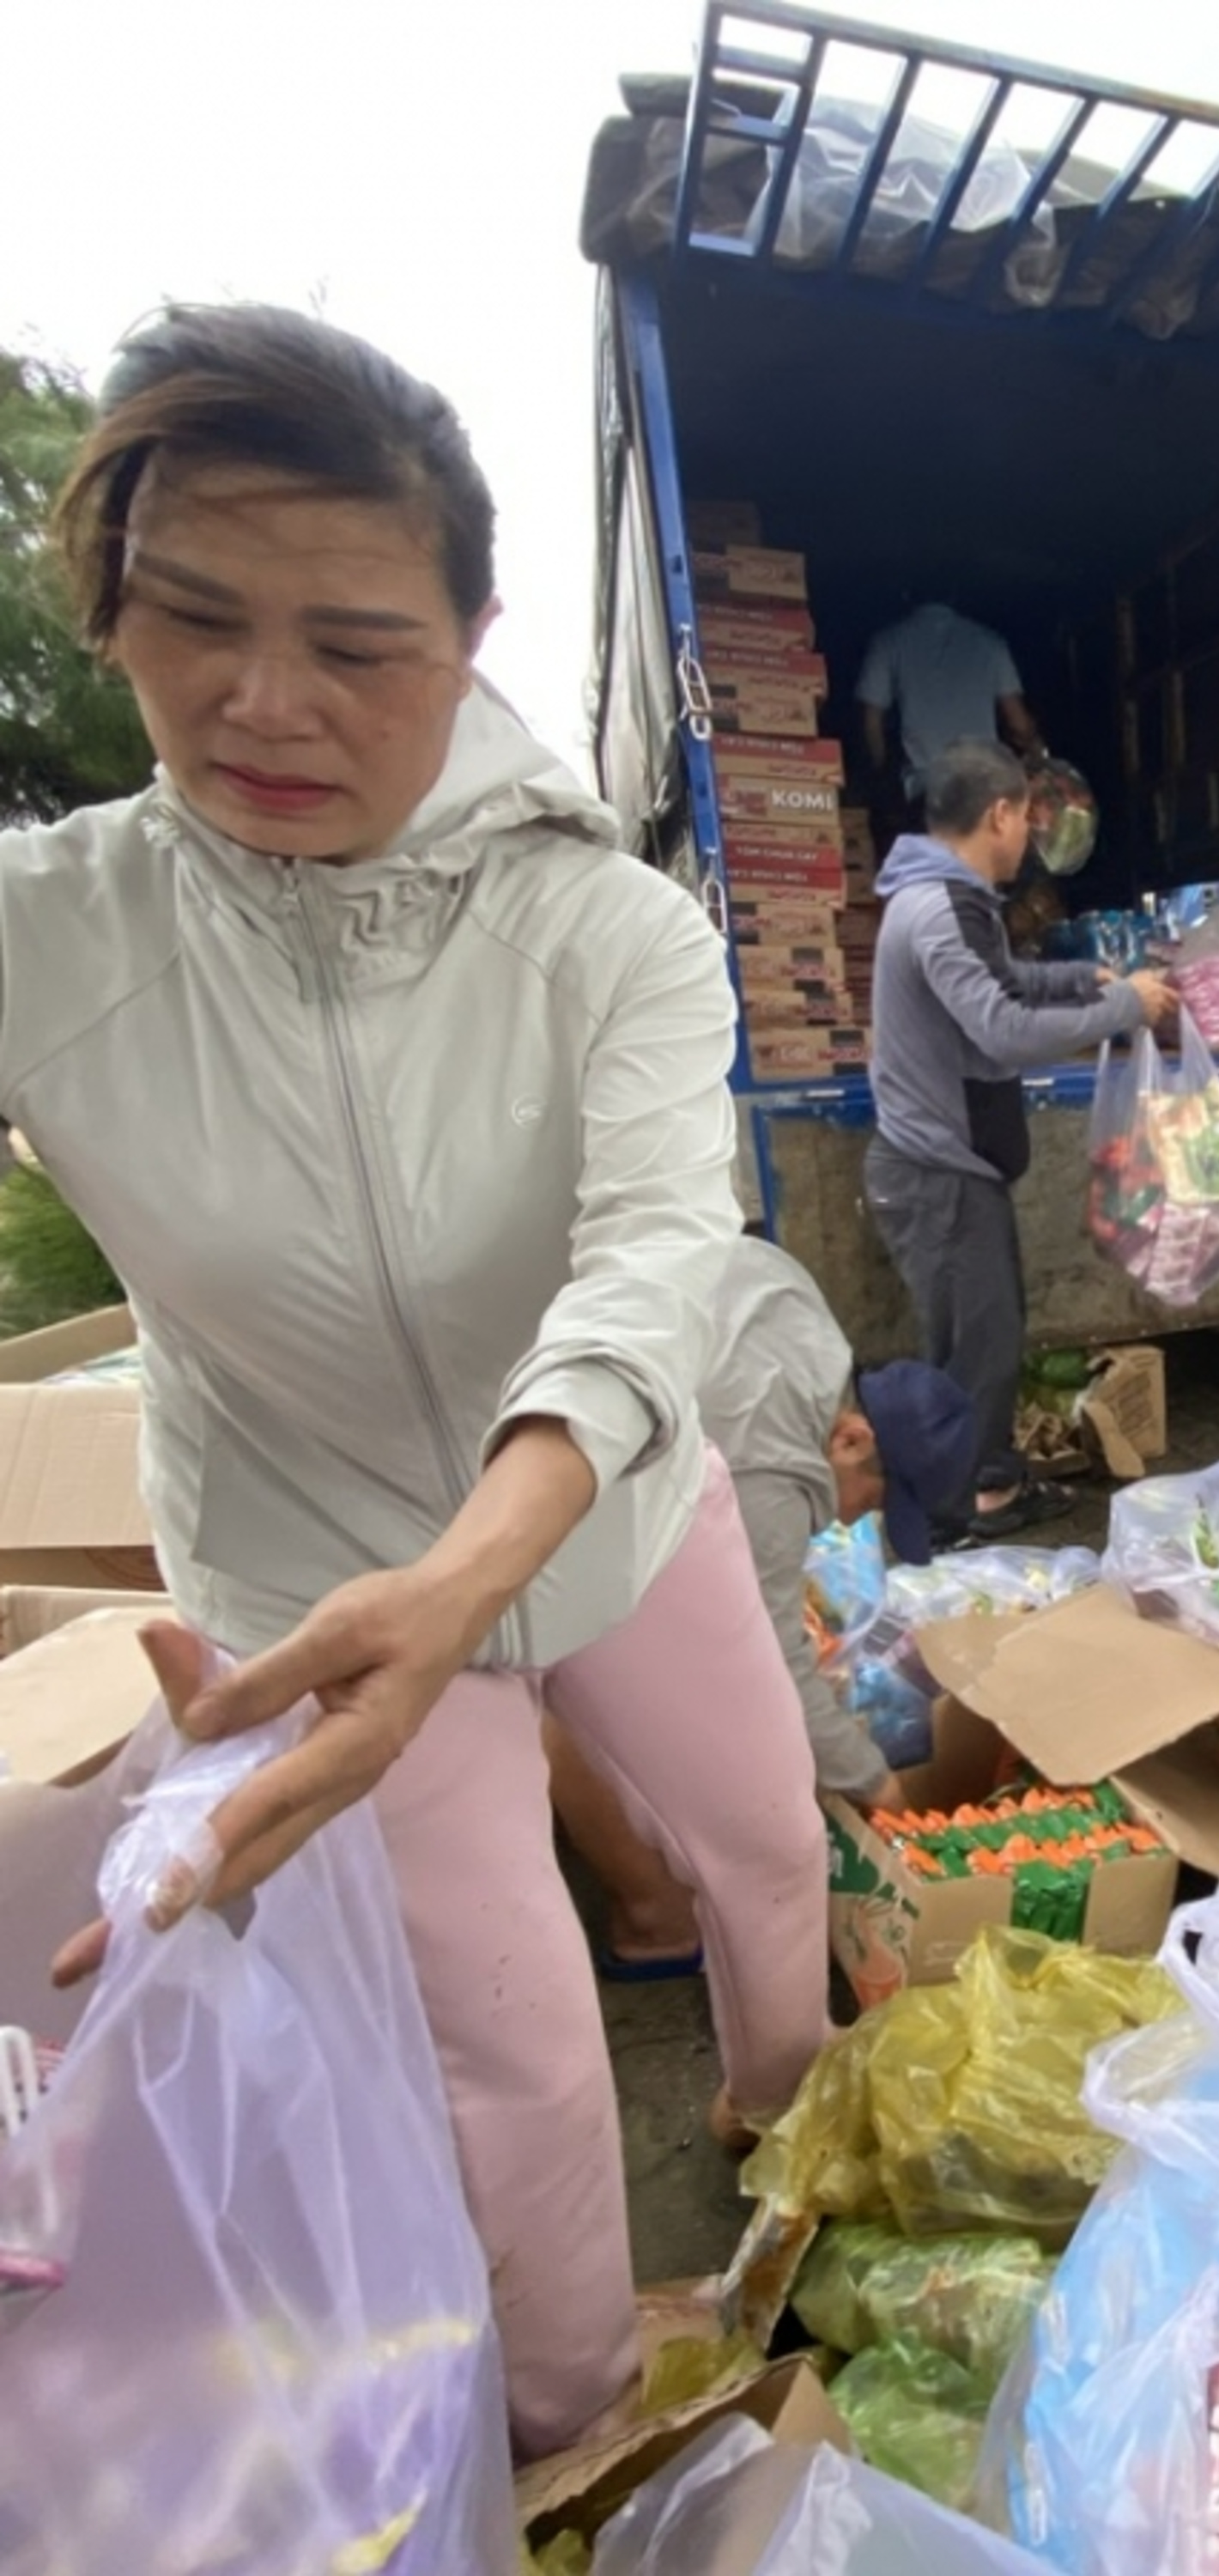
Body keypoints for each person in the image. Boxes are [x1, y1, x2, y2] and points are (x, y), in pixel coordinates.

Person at [15, 304, 829, 2454]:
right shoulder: (53, 932)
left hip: (605, 1511)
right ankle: (573, 2431)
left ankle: (795, 2143)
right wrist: (418, 1606)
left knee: (764, 1850)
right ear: (105, 607)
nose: (264, 702)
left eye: (358, 644)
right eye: (193, 616)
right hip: (306, 1573)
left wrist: (481, 1570)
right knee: (518, 2043)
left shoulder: (612, 931)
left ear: (473, 631)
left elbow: (660, 1256)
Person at [551, 1234, 979, 1972]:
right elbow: (771, 1660)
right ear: (851, 1438)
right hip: (533, 1433)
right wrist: (873, 1780)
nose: (849, 1524)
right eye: (870, 1502)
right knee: (566, 1672)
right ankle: (650, 1918)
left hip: (589, 1355)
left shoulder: (802, 1313)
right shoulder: (766, 1468)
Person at [865, 740, 1175, 1537]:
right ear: (999, 814)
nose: (1030, 841)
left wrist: (1082, 980)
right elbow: (1000, 1029)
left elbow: (1001, 978)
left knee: (983, 1340)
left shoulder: (941, 896)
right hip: (936, 1170)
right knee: (979, 1351)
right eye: (1025, 822)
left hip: (944, 1166)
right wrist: (1125, 1009)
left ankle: (982, 1482)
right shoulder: (938, 906)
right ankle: (954, 1513)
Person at [858, 597, 1041, 806]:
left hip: (926, 789)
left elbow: (871, 722)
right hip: (983, 786)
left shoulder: (888, 641)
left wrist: (880, 774)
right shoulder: (991, 644)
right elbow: (1019, 725)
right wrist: (1038, 752)